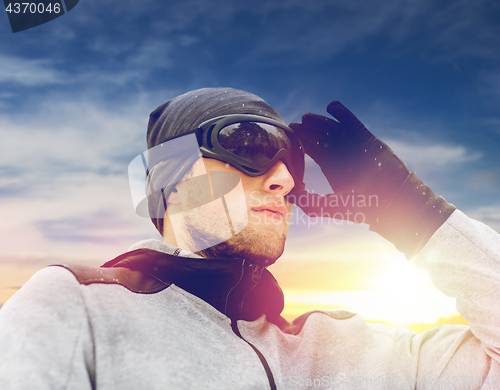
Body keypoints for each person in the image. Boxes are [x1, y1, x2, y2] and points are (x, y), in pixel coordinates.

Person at [0, 87, 498, 390]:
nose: (284, 179)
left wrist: (411, 210)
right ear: (171, 184)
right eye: (249, 145)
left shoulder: (361, 352)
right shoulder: (76, 309)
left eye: (293, 162)